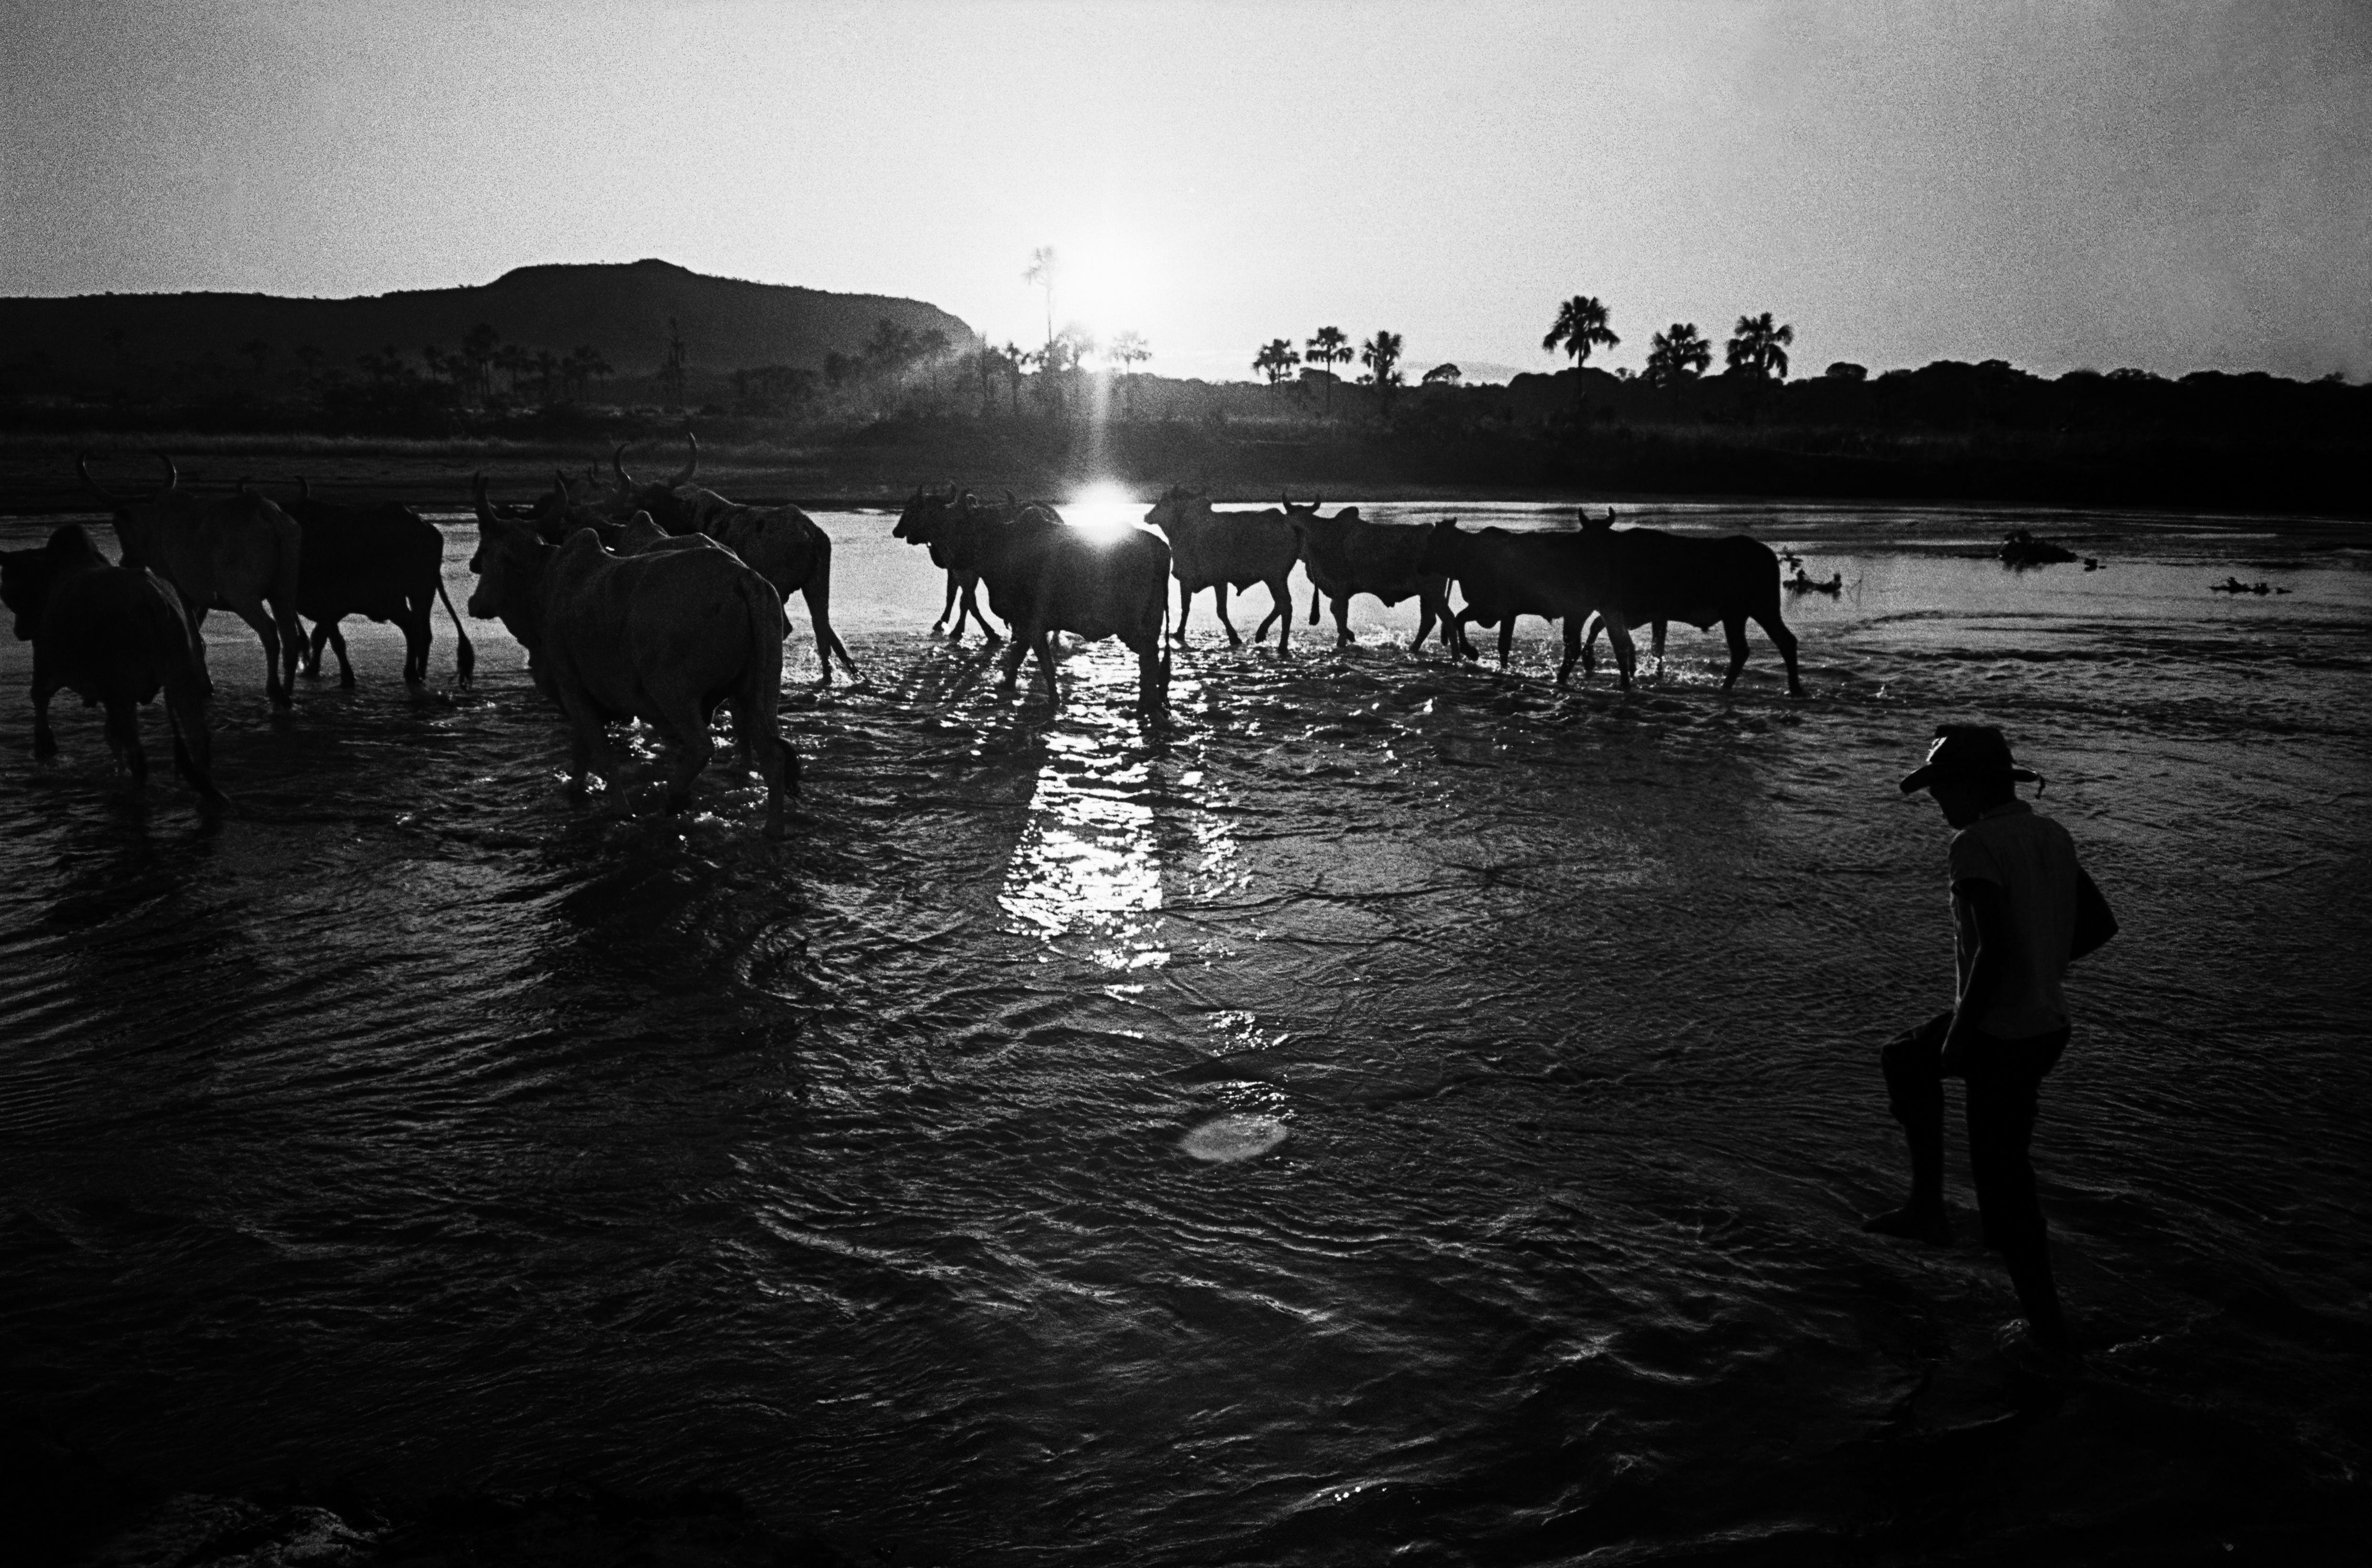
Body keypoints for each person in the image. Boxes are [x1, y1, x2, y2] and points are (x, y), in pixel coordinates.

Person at [1863, 724, 2117, 1359]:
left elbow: (1994, 951)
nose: (1935, 803)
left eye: (1939, 790)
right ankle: (1930, 1211)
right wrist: (2043, 966)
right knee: (1906, 1061)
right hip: (2045, 1026)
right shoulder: (2049, 835)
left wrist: (1960, 1034)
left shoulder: (1972, 844)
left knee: (2002, 1183)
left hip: (2000, 1034)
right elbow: (2097, 925)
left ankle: (2048, 1333)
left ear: (1970, 787)